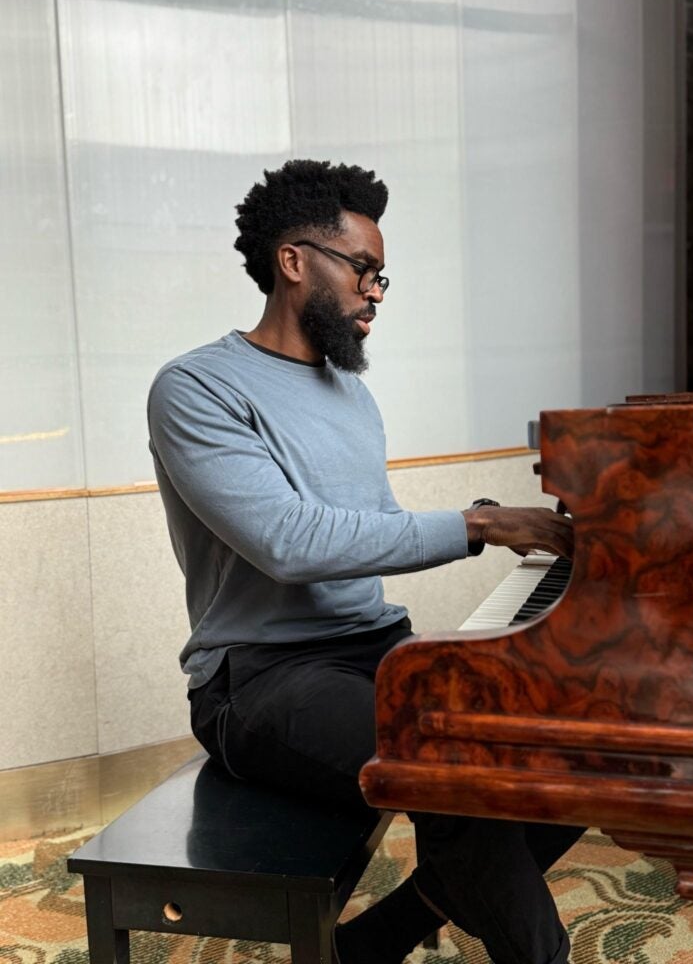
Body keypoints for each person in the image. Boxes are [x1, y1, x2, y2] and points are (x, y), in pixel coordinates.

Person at [147, 159, 580, 964]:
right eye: (363, 269)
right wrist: (480, 526)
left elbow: (366, 529)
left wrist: (481, 521)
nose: (376, 291)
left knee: (560, 743)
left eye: (384, 277)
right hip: (259, 679)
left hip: (370, 650)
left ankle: (376, 940)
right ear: (294, 260)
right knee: (448, 763)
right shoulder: (196, 387)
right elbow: (292, 543)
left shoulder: (349, 393)